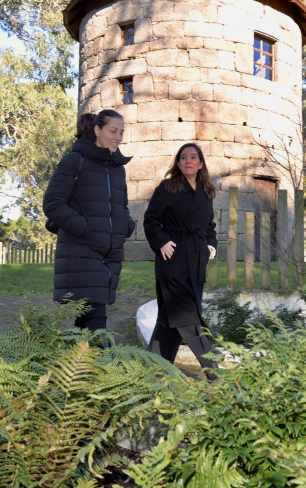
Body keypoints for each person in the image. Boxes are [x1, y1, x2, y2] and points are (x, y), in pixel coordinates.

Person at [43, 109, 135, 337]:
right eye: (113, 131)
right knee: (97, 322)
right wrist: (84, 228)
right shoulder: (75, 161)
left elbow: (122, 206)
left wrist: (126, 225)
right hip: (82, 252)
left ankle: (76, 367)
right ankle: (107, 367)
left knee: (86, 322)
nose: (118, 137)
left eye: (121, 132)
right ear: (97, 130)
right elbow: (53, 203)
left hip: (110, 255)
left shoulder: (118, 169)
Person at [144, 142, 219, 373]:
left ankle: (154, 369)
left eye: (193, 157)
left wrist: (210, 246)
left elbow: (209, 226)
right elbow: (151, 220)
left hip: (196, 260)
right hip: (173, 257)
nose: (188, 161)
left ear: (201, 163)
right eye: (183, 157)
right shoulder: (167, 187)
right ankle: (215, 369)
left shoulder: (206, 192)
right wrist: (161, 242)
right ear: (178, 162)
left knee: (170, 318)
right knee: (186, 315)